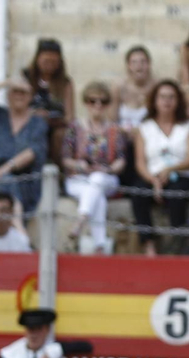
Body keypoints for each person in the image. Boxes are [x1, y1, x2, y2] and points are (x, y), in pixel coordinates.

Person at [132, 79, 189, 255]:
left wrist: (171, 169)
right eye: (162, 97)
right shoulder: (144, 128)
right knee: (138, 193)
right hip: (153, 175)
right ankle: (148, 243)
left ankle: (178, 244)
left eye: (171, 97)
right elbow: (140, 162)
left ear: (178, 101)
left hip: (183, 174)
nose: (167, 101)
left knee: (175, 193)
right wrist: (153, 180)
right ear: (154, 100)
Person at [63, 81, 127, 253]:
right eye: (93, 101)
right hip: (78, 178)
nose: (98, 105)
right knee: (97, 197)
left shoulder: (114, 129)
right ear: (86, 103)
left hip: (106, 178)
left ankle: (80, 221)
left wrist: (109, 169)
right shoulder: (75, 127)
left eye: (103, 101)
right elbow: (66, 158)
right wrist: (79, 165)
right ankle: (100, 246)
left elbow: (121, 159)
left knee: (97, 179)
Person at [0, 75, 48, 215]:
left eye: (23, 92)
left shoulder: (37, 122)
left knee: (7, 181)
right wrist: (4, 82)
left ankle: (14, 226)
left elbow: (33, 151)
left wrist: (6, 168)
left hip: (25, 182)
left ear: (31, 97)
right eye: (15, 91)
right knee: (3, 182)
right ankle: (18, 229)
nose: (19, 96)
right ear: (8, 95)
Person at [25, 39, 75, 165]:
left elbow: (70, 117)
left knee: (61, 136)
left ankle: (58, 173)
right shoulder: (26, 78)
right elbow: (18, 108)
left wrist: (52, 119)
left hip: (56, 127)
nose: (50, 64)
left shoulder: (65, 83)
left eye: (54, 61)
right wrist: (34, 114)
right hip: (31, 125)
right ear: (37, 59)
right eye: (46, 61)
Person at [114, 46, 154, 128]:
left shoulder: (156, 88)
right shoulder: (119, 87)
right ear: (128, 66)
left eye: (143, 62)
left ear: (149, 64)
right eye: (134, 62)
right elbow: (112, 120)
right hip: (123, 136)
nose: (139, 66)